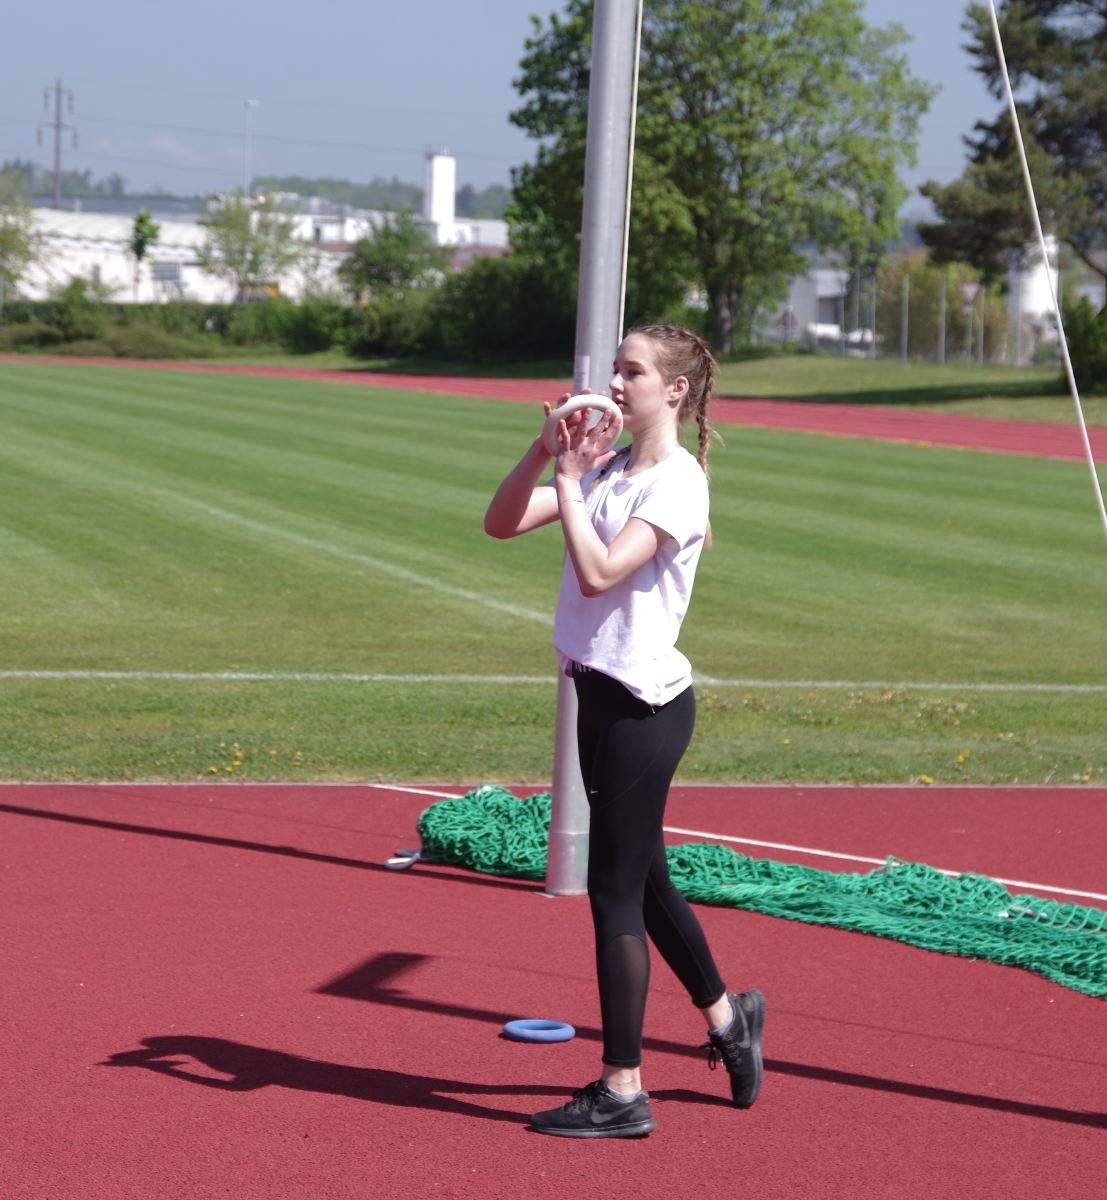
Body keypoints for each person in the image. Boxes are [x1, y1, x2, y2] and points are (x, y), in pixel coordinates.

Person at [484, 323, 765, 1139]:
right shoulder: (608, 467)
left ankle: (621, 1089)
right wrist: (544, 453)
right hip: (598, 698)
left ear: (673, 390)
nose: (614, 382)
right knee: (643, 881)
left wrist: (571, 484)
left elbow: (599, 573)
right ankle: (729, 1020)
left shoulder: (676, 484)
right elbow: (500, 523)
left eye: (630, 371)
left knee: (611, 891)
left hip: (643, 710)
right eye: (614, 368)